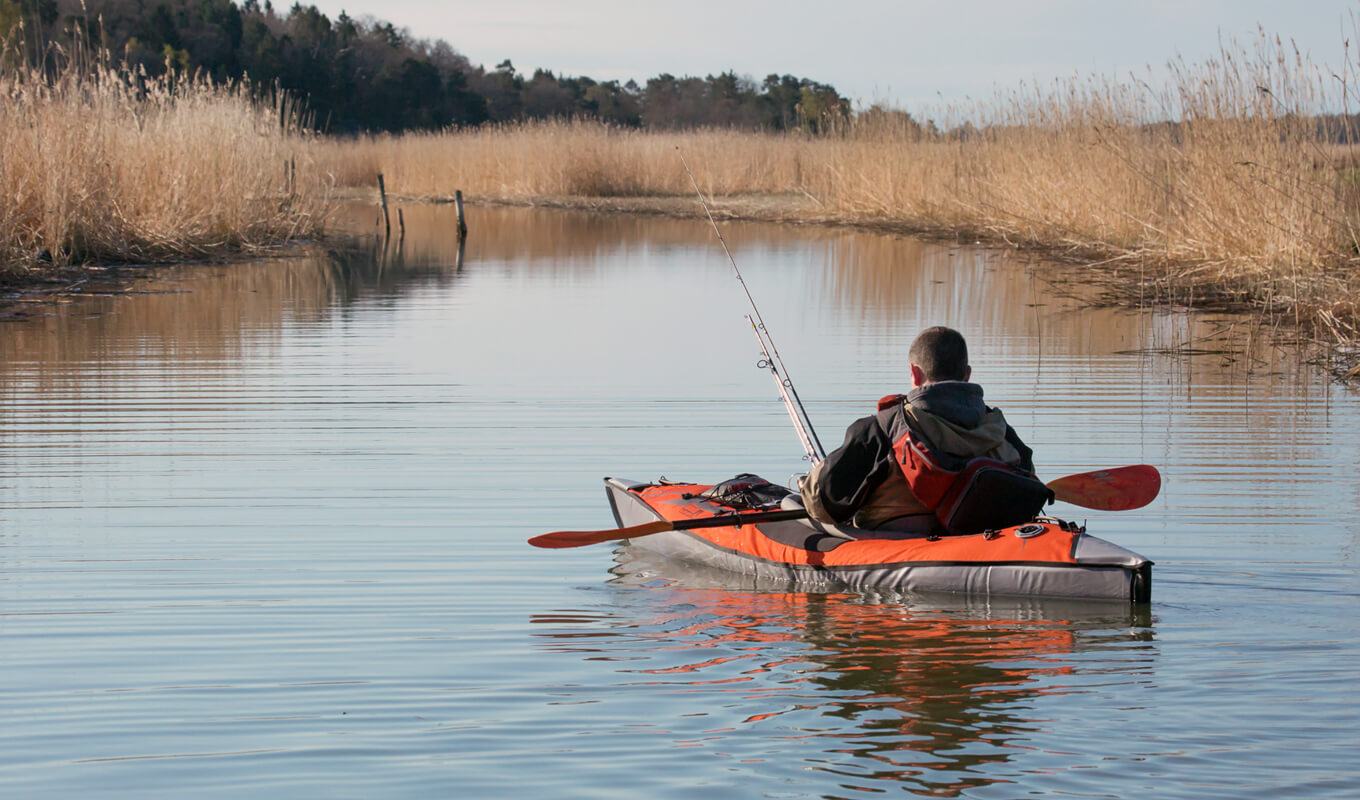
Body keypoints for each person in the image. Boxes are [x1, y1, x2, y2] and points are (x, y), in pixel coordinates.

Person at [799, 326, 1045, 534]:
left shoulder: (883, 428)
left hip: (902, 557)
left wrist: (806, 485)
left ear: (914, 374)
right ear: (967, 375)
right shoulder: (1002, 431)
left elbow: (822, 505)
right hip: (986, 550)